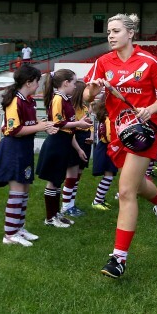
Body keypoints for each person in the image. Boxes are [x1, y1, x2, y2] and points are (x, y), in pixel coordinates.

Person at [83, 13, 157, 279]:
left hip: (143, 132)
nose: (110, 35)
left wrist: (151, 109)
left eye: (116, 31)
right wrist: (93, 88)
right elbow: (87, 96)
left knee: (125, 191)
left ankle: (118, 259)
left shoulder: (149, 62)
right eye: (108, 32)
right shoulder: (102, 62)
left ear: (131, 33)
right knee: (135, 185)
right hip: (117, 133)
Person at [0, 65, 58, 247]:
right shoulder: (15, 101)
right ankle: (9, 234)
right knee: (17, 191)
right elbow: (14, 130)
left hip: (24, 148)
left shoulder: (28, 100)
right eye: (36, 82)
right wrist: (39, 127)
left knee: (25, 190)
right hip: (14, 148)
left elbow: (30, 123)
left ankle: (19, 228)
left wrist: (43, 124)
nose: (38, 86)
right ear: (28, 82)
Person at [36, 69, 93, 229]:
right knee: (53, 181)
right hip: (56, 144)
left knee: (57, 181)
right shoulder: (58, 99)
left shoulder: (65, 99)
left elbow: (69, 130)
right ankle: (50, 217)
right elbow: (57, 123)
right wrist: (79, 124)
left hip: (64, 143)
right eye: (74, 83)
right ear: (66, 83)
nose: (75, 87)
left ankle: (55, 214)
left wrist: (78, 148)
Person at [60, 80, 94, 218]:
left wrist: (91, 135)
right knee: (71, 175)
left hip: (85, 141)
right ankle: (66, 206)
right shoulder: (71, 108)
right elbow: (71, 127)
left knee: (78, 174)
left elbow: (90, 124)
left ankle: (71, 204)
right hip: (76, 140)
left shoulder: (84, 108)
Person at [91, 99, 119, 210]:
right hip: (107, 148)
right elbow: (109, 136)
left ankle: (100, 199)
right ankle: (97, 201)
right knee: (108, 176)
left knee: (109, 175)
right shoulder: (108, 119)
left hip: (105, 148)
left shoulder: (105, 118)